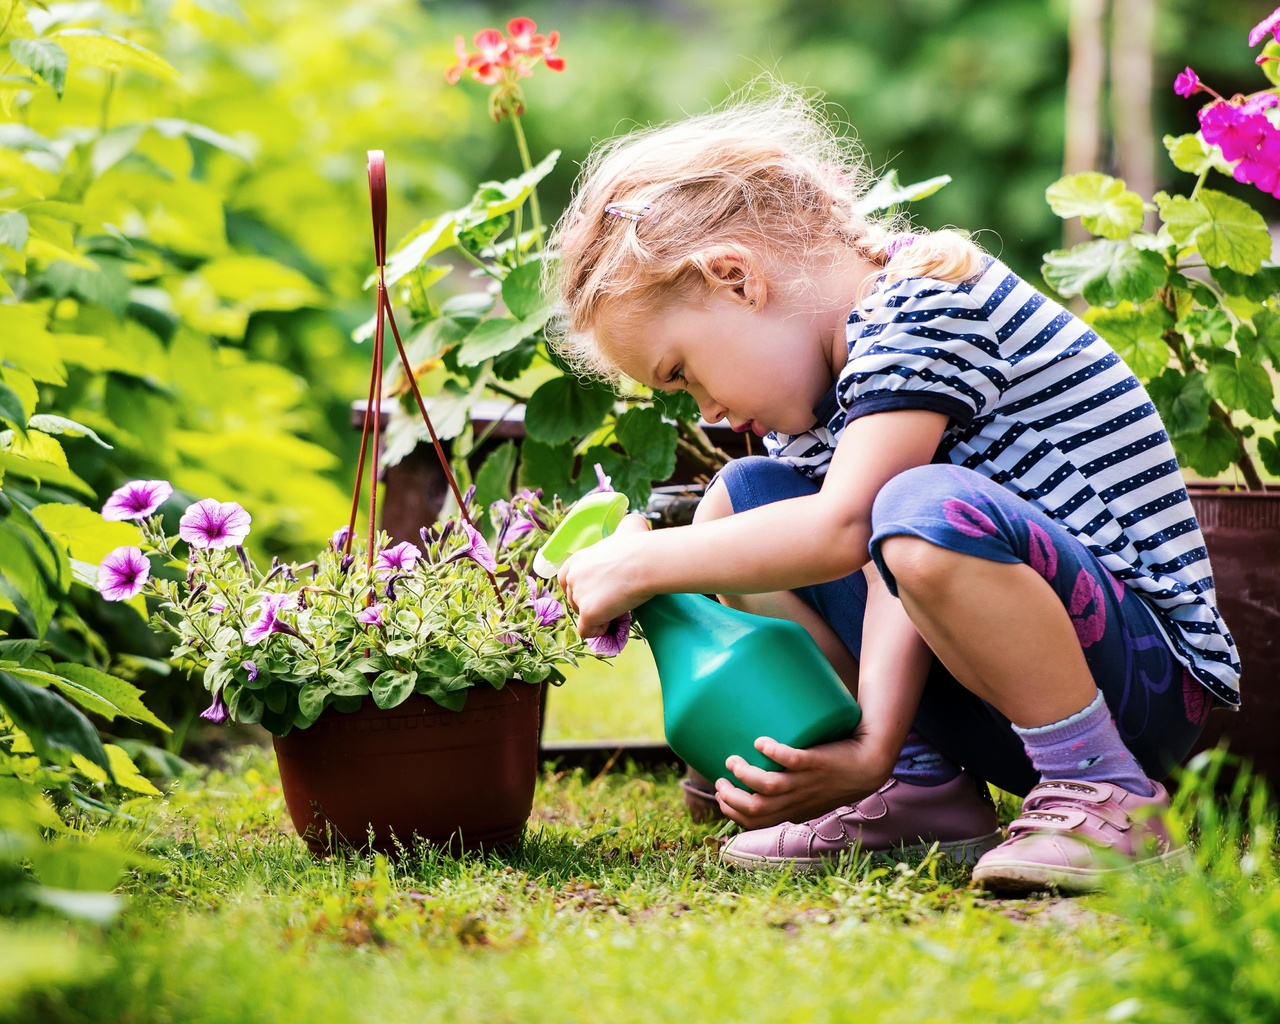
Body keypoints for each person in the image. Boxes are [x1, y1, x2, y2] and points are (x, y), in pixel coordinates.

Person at [546, 86, 1240, 894]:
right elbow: (881, 569)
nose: (705, 410)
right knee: (744, 499)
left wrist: (647, 563)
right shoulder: (820, 397)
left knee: (916, 508)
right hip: (995, 684)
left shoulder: (925, 302)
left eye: (682, 372)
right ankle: (923, 791)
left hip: (1143, 686)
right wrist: (878, 748)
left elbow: (852, 529)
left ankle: (1110, 795)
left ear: (735, 278)